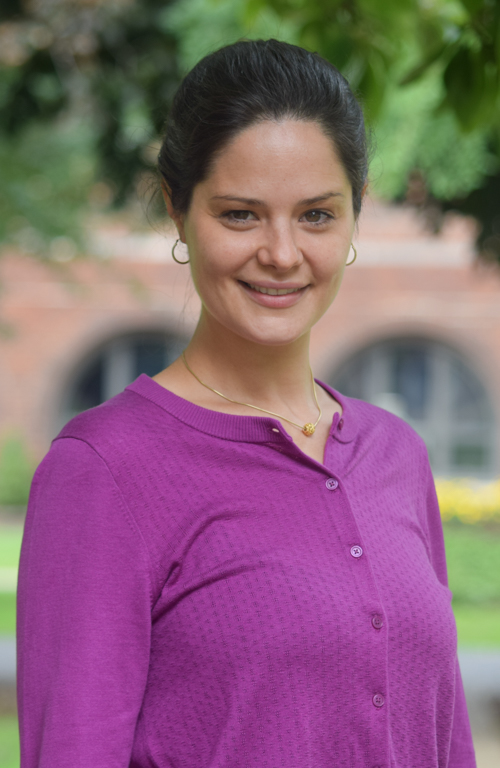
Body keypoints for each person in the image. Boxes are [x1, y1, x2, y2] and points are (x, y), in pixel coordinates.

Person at [17, 39, 476, 768]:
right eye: (240, 215)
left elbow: (447, 738)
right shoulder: (103, 470)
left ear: (355, 215)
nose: (283, 253)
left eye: (318, 216)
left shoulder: (397, 454)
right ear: (177, 211)